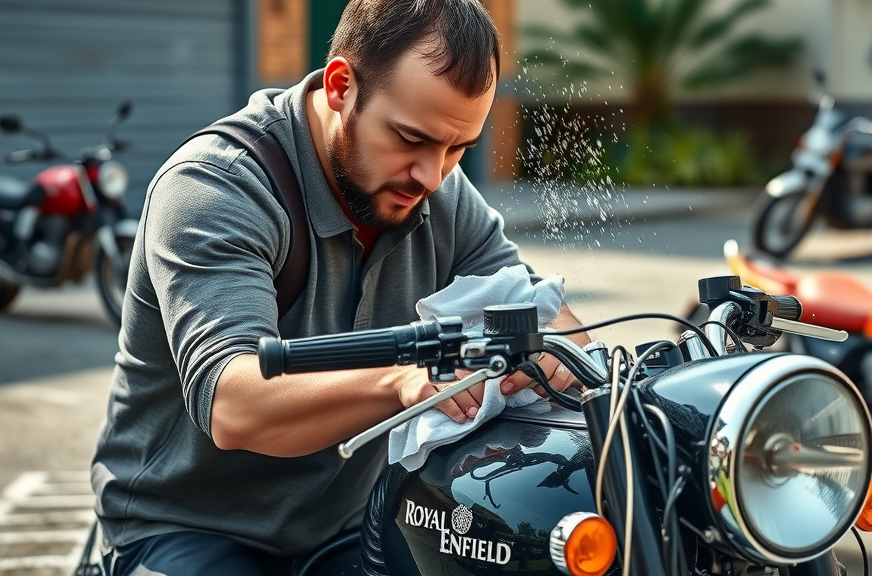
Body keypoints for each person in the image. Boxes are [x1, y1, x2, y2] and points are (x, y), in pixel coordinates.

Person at [89, 0, 589, 574]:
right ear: (340, 86)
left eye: (457, 150)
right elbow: (234, 405)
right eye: (409, 138)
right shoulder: (217, 188)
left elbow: (538, 310)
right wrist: (401, 382)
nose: (432, 175)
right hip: (187, 525)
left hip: (347, 524)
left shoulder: (438, 194)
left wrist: (563, 349)